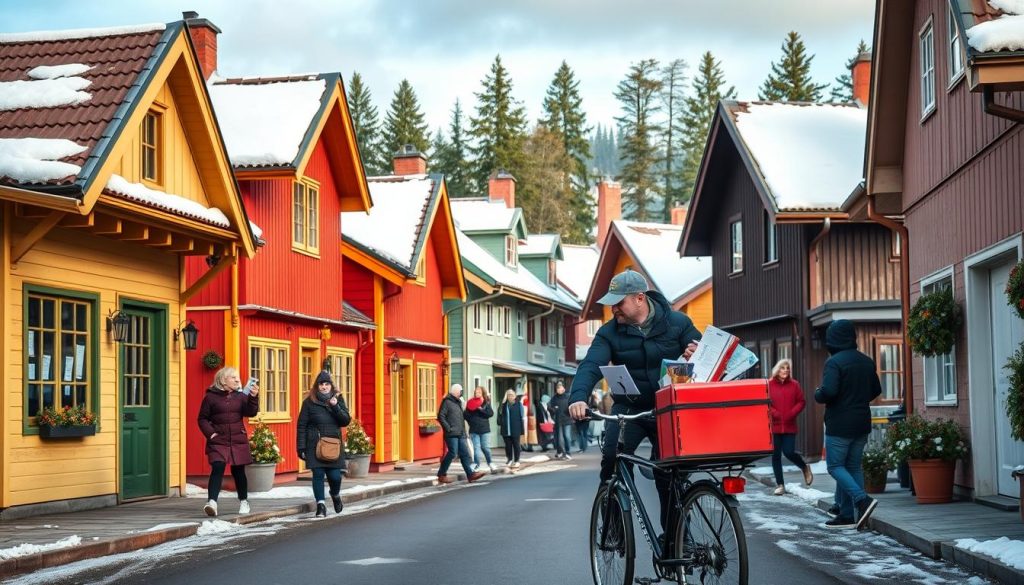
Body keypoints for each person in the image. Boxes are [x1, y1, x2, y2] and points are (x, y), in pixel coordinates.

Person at [568, 269, 700, 532]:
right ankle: (614, 525)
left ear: (640, 298)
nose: (613, 308)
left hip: (668, 409)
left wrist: (695, 351)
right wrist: (578, 397)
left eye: (619, 302)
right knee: (612, 457)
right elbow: (592, 364)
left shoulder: (678, 323)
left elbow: (706, 355)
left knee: (670, 472)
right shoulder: (609, 333)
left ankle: (676, 538)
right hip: (629, 409)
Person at [814, 319, 882, 530]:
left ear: (832, 339)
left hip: (840, 423)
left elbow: (829, 392)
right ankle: (847, 514)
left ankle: (862, 501)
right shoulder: (866, 361)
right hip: (861, 421)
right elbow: (876, 390)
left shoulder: (834, 362)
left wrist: (818, 393)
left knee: (835, 466)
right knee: (852, 467)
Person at [197, 366, 259, 517]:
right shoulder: (210, 397)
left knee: (238, 471)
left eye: (237, 377)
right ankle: (212, 502)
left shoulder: (241, 396)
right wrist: (211, 434)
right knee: (217, 467)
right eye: (233, 377)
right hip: (218, 439)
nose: (238, 380)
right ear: (223, 380)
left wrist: (253, 397)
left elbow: (251, 412)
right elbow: (202, 419)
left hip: (238, 438)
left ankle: (244, 501)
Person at [297, 370, 351, 518]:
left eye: (327, 384)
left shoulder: (338, 399)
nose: (324, 387)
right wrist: (301, 447)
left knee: (335, 477)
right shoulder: (309, 402)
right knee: (318, 474)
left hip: (333, 444)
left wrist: (335, 406)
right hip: (314, 444)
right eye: (321, 384)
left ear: (331, 386)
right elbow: (302, 425)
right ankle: (320, 505)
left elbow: (345, 420)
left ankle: (335, 494)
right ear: (317, 386)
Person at [767, 359, 813, 495]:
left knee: (788, 452)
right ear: (777, 370)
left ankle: (804, 467)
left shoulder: (794, 385)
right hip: (774, 426)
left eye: (788, 368)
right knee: (776, 455)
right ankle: (780, 485)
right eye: (783, 368)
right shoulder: (769, 385)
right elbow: (766, 402)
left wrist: (791, 413)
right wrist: (775, 413)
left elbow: (801, 402)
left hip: (789, 425)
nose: (786, 370)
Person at [437, 384, 486, 484]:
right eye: (461, 391)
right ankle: (441, 474)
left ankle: (470, 474)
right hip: (451, 433)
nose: (461, 393)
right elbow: (441, 416)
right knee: (452, 453)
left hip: (460, 433)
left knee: (465, 454)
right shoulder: (447, 402)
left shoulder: (458, 403)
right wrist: (448, 428)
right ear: (455, 392)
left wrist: (464, 431)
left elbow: (462, 418)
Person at [465, 386, 496, 472]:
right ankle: (476, 464)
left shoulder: (486, 402)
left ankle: (490, 462)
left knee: (485, 447)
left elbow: (490, 413)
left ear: (482, 393)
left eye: (479, 392)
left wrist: (481, 410)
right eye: (476, 392)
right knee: (476, 448)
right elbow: (465, 415)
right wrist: (471, 420)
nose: (477, 393)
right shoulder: (470, 403)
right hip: (474, 430)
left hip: (484, 430)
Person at [498, 389, 526, 468]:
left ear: (515, 396)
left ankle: (517, 460)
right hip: (506, 428)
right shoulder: (504, 404)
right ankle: (509, 459)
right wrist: (502, 403)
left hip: (516, 428)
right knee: (508, 445)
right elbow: (499, 413)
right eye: (508, 395)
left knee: (516, 445)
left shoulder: (519, 404)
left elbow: (522, 417)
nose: (510, 396)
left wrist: (522, 430)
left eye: (512, 395)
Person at [548, 382, 573, 460]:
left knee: (567, 436)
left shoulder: (568, 397)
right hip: (558, 420)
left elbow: (572, 406)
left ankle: (568, 452)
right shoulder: (554, 398)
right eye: (558, 388)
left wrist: (570, 412)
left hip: (567, 419)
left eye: (560, 387)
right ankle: (560, 452)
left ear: (564, 389)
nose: (559, 389)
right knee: (559, 438)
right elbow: (549, 407)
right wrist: (553, 410)